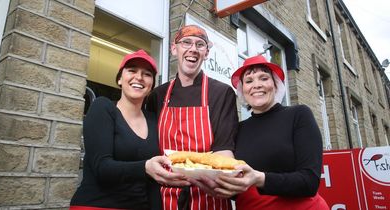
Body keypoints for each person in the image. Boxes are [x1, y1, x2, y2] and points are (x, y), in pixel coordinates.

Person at [212, 55, 329, 209]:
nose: (257, 85)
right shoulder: (237, 129)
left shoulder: (299, 115)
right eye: (249, 81)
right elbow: (237, 188)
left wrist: (260, 178)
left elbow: (309, 182)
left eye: (264, 78)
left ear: (275, 85)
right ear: (243, 90)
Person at [145, 25, 239, 210]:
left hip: (209, 195)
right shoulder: (158, 95)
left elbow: (224, 149)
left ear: (206, 53)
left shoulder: (221, 93)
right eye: (186, 42)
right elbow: (151, 149)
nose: (193, 49)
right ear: (174, 49)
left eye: (200, 44)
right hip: (166, 196)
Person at [70, 50, 168, 210]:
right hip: (97, 205)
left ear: (151, 86)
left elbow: (152, 184)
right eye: (132, 70)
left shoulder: (154, 120)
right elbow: (101, 167)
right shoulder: (103, 108)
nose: (139, 77)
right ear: (120, 79)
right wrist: (145, 167)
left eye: (147, 74)